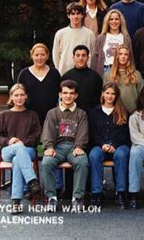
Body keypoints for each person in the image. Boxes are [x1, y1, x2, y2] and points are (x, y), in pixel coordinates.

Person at [41, 80, 89, 212]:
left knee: (82, 162)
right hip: (57, 147)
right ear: (60, 94)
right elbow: (48, 132)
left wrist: (80, 146)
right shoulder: (52, 113)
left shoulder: (81, 114)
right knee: (46, 163)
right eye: (65, 93)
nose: (68, 96)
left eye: (71, 93)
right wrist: (49, 147)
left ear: (76, 95)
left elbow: (83, 132)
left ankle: (77, 198)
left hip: (74, 147)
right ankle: (51, 198)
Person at [0, 84, 41, 214]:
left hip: (28, 150)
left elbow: (36, 136)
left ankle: (15, 201)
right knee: (17, 152)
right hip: (8, 150)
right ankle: (32, 181)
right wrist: (9, 141)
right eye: (16, 95)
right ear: (11, 97)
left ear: (26, 96)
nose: (19, 98)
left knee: (17, 161)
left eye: (21, 95)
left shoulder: (32, 115)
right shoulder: (3, 115)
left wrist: (22, 142)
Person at [88, 83, 130, 209]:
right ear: (102, 94)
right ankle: (97, 193)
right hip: (100, 144)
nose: (110, 96)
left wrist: (114, 145)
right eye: (107, 93)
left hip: (120, 145)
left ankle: (121, 192)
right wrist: (103, 144)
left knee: (121, 155)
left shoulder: (123, 112)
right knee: (94, 155)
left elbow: (125, 134)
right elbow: (92, 133)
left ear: (116, 96)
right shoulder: (94, 112)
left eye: (113, 94)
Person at [17, 43, 61, 126]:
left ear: (47, 56)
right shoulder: (24, 73)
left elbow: (60, 94)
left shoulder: (54, 73)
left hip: (51, 116)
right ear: (32, 56)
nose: (40, 58)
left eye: (43, 55)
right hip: (29, 116)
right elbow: (19, 94)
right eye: (36, 55)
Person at [52, 2, 96, 75]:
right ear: (68, 16)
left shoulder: (89, 34)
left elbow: (93, 54)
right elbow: (56, 55)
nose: (75, 16)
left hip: (84, 73)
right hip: (64, 72)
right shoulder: (60, 33)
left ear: (82, 15)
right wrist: (59, 69)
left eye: (78, 13)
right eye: (72, 14)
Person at [91, 9, 132, 78]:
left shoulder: (126, 38)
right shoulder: (101, 38)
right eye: (111, 19)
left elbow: (131, 57)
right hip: (105, 70)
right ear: (107, 21)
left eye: (116, 19)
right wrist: (92, 75)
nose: (114, 21)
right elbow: (95, 57)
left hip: (122, 71)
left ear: (120, 21)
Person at [62, 45, 103, 114]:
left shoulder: (95, 77)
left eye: (83, 55)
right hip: (70, 114)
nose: (80, 58)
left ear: (87, 57)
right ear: (73, 57)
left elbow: (98, 99)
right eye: (78, 55)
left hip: (90, 114)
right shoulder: (66, 76)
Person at [104, 44, 143, 114]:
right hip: (114, 113)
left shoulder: (136, 74)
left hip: (132, 113)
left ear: (129, 57)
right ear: (116, 56)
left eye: (126, 54)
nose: (123, 57)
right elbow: (105, 97)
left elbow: (141, 95)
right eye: (120, 54)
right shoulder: (108, 75)